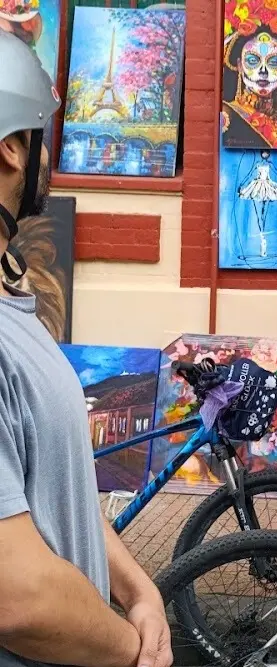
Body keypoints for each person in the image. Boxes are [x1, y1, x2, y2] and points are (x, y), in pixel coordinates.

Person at [0, 32, 172, 667]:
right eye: (46, 135)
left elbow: (51, 483)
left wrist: (137, 590)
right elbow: (16, 597)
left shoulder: (16, 303)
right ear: (13, 148)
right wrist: (131, 650)